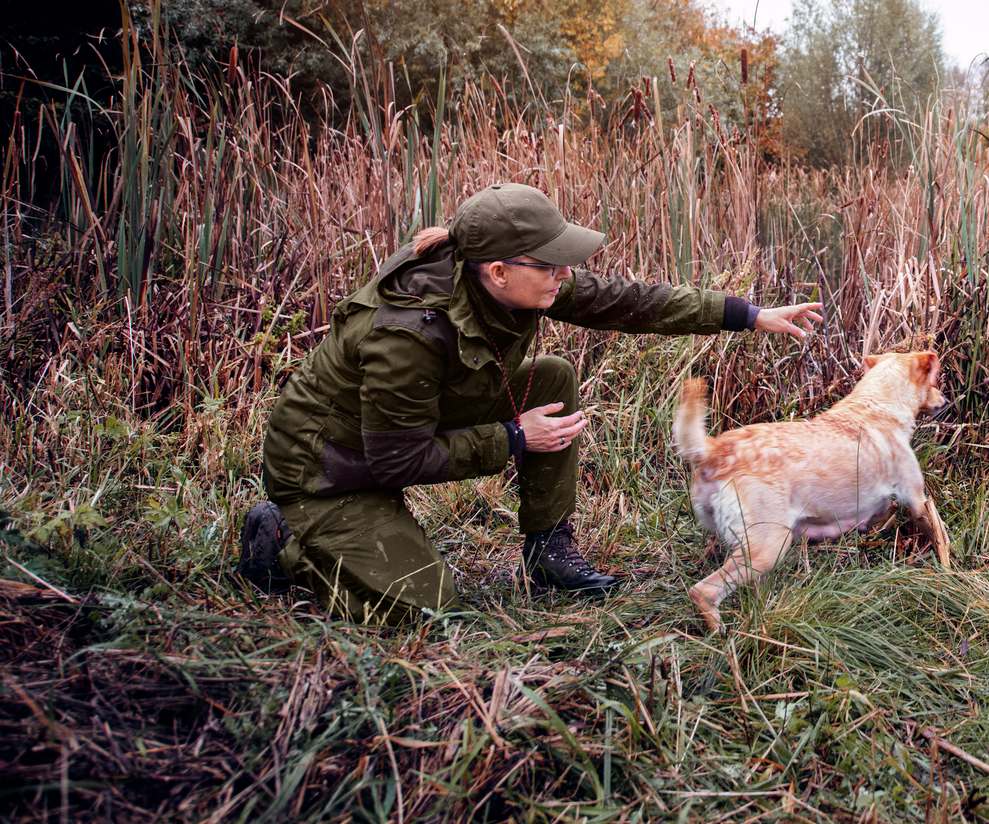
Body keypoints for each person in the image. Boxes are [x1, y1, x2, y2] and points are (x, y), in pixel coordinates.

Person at [235, 183, 822, 624]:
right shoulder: (407, 336)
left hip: (403, 424)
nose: (564, 274)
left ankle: (549, 553)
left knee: (551, 378)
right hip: (331, 466)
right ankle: (283, 539)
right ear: (497, 271)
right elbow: (394, 462)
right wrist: (516, 439)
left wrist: (748, 315)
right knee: (428, 605)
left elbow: (627, 302)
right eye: (550, 263)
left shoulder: (508, 280)